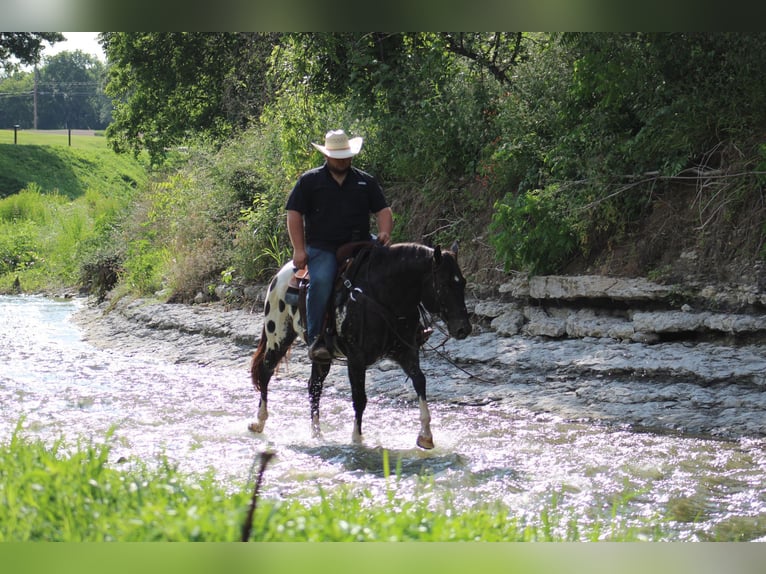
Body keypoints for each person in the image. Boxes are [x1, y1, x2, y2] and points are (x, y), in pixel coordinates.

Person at [285, 129, 393, 362]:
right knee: (322, 280)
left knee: (392, 271)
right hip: (323, 247)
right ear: (327, 156)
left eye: (346, 155)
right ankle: (317, 339)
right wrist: (299, 249)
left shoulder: (365, 181)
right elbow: (294, 213)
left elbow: (383, 210)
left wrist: (384, 231)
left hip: (361, 243)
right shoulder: (310, 181)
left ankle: (404, 330)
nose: (343, 160)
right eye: (338, 156)